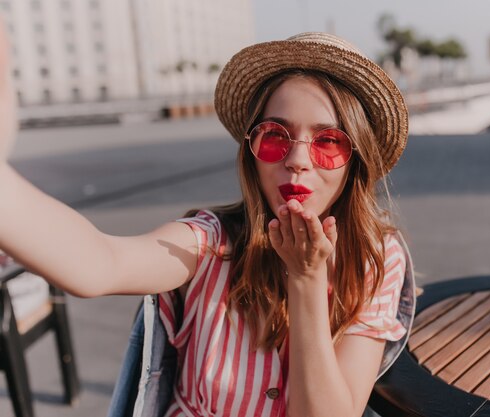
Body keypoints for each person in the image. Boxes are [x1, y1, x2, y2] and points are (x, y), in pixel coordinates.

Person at [0, 23, 415, 417]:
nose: (297, 160)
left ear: (355, 159)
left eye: (327, 141)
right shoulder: (212, 241)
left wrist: (306, 280)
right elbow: (99, 263)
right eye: (274, 136)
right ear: (251, 151)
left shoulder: (375, 257)